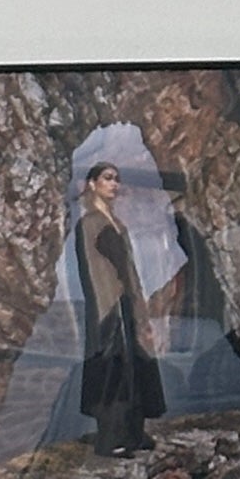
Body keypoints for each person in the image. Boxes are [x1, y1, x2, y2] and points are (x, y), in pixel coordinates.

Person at [72, 159, 167, 457]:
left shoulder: (117, 223)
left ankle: (134, 432)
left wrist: (139, 308)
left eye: (116, 178)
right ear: (92, 184)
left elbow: (129, 269)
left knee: (134, 366)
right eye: (107, 178)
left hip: (126, 302)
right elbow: (95, 270)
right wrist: (110, 306)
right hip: (108, 305)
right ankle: (112, 438)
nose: (114, 184)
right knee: (113, 370)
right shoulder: (90, 223)